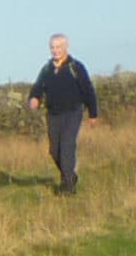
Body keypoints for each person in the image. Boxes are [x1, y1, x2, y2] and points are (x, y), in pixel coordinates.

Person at [27, 33, 101, 194]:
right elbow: (38, 87)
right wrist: (34, 99)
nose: (55, 51)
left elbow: (88, 90)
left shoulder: (76, 67)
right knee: (55, 150)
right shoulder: (47, 69)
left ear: (66, 47)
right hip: (53, 114)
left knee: (67, 146)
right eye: (52, 47)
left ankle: (68, 187)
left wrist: (93, 114)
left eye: (58, 47)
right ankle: (70, 175)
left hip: (73, 112)